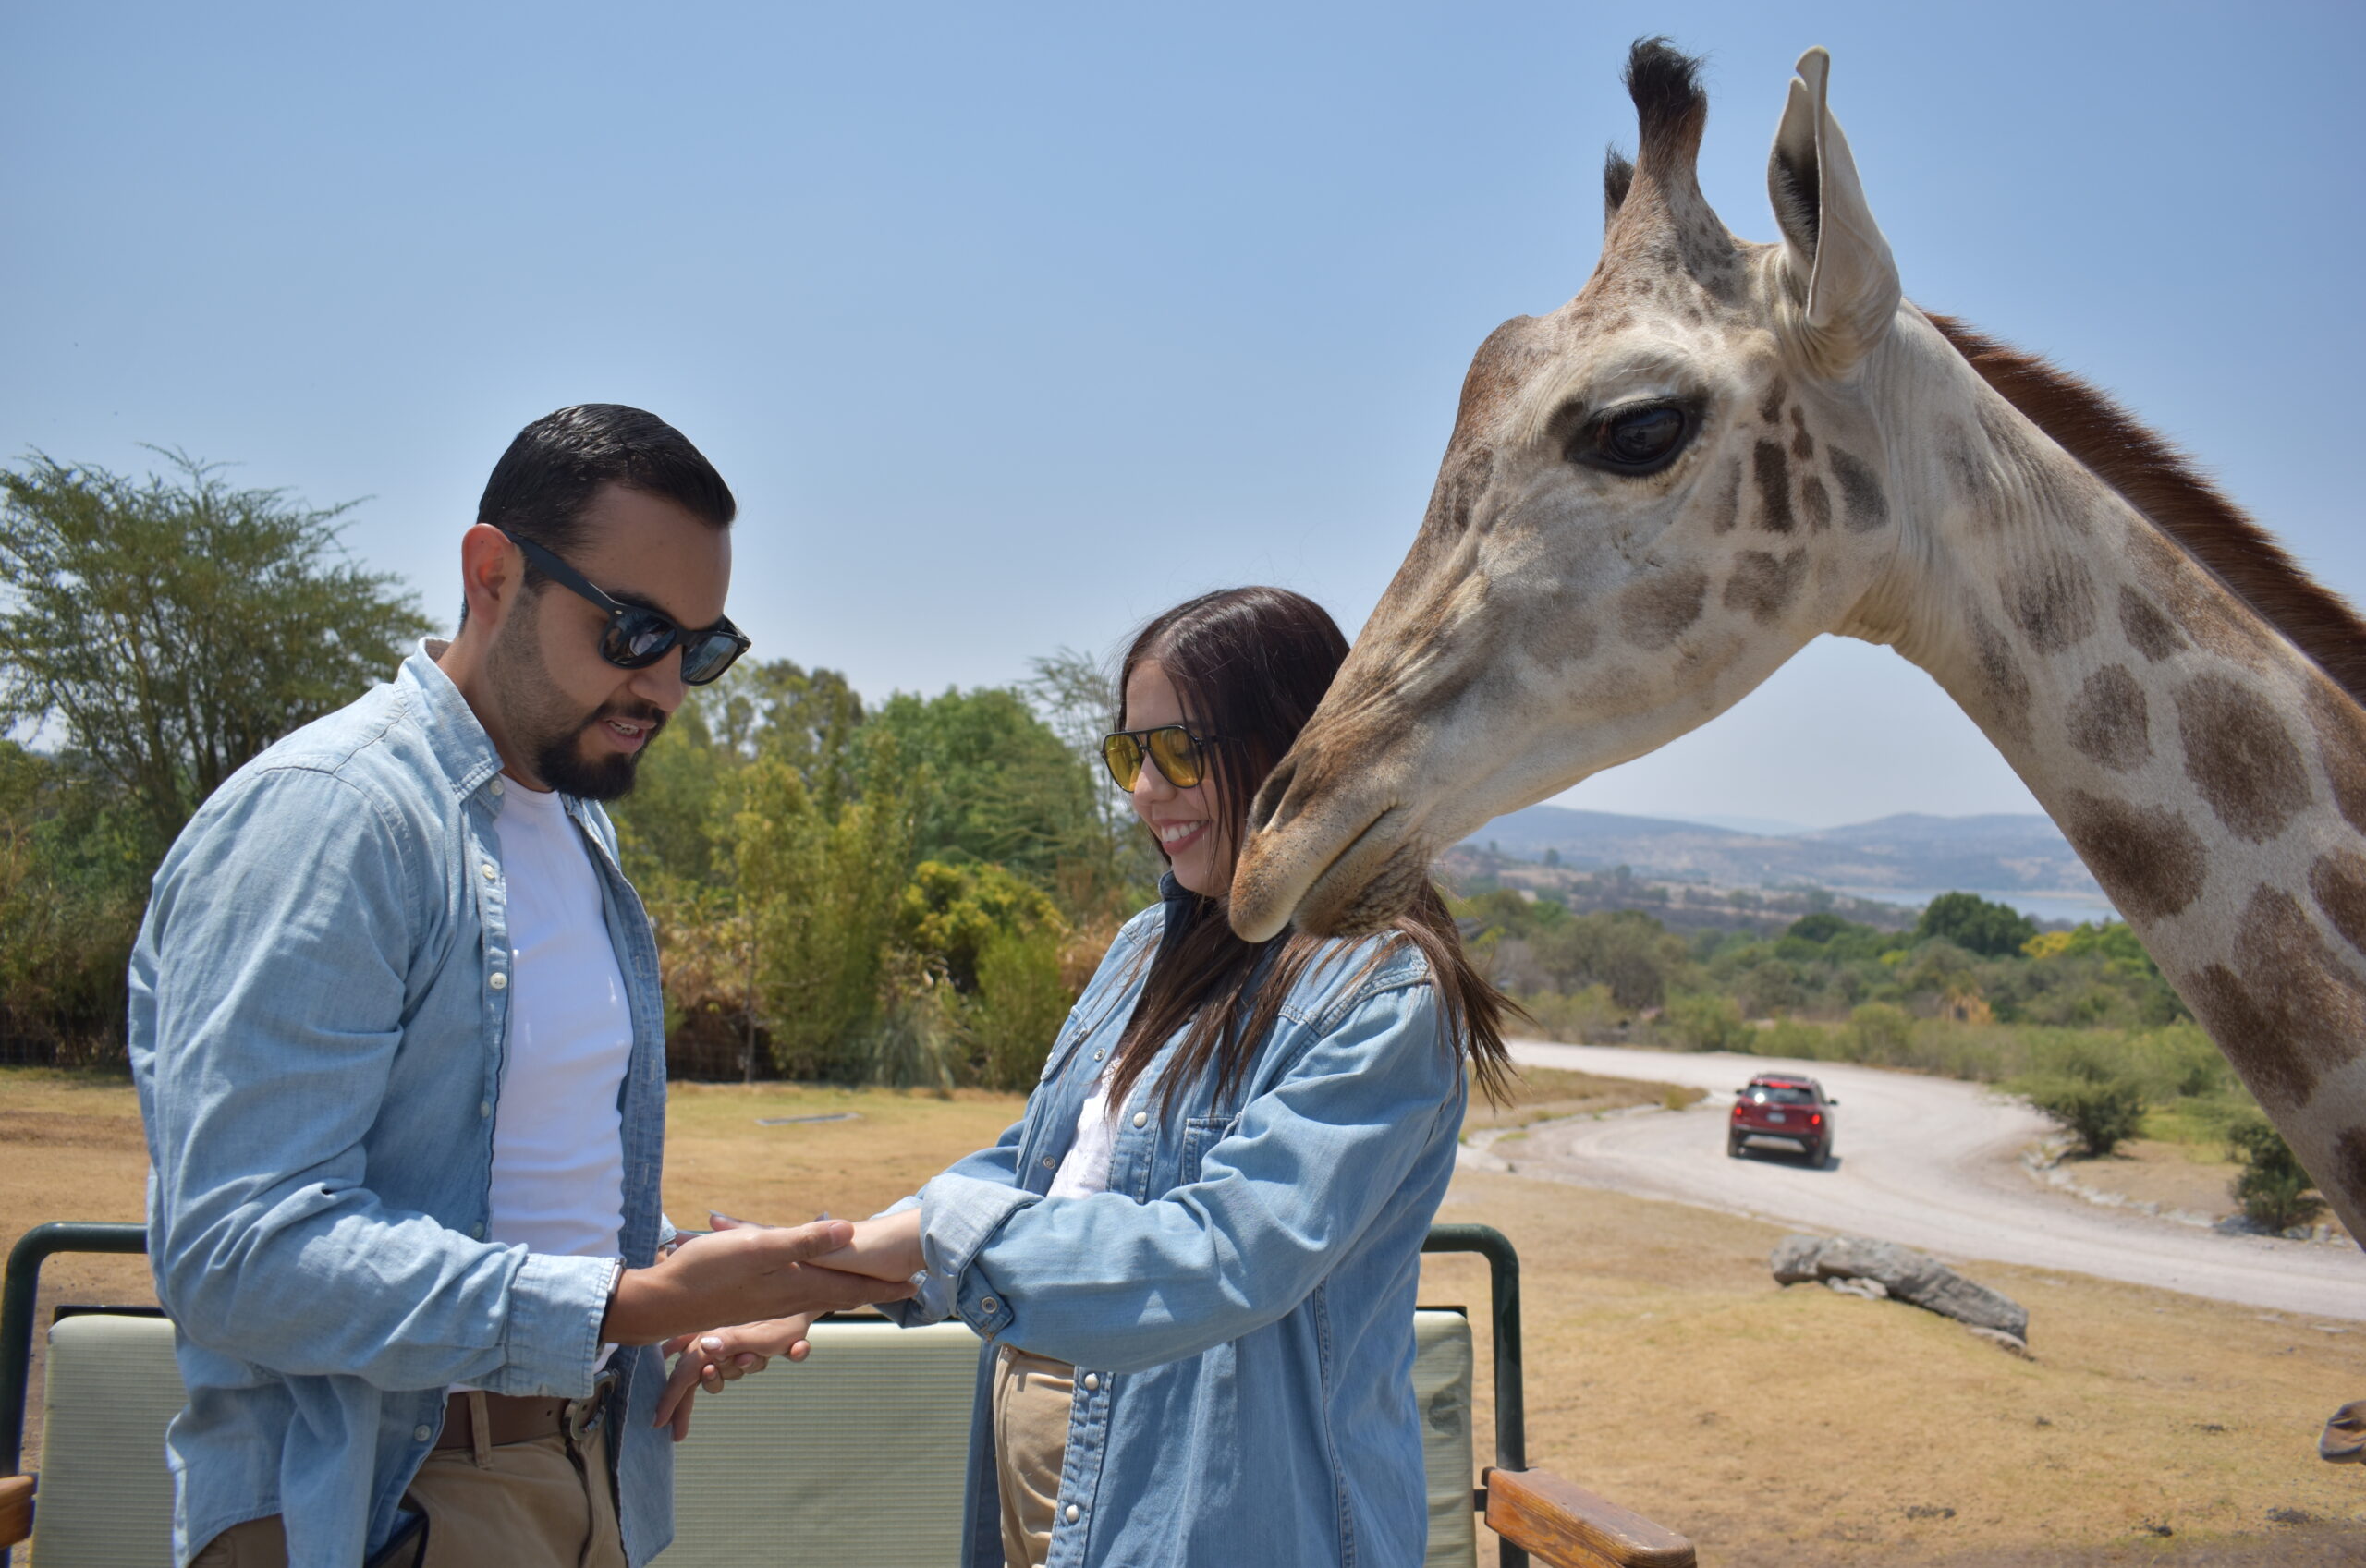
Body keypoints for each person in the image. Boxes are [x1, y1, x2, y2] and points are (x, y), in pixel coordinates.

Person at [128, 405, 910, 1568]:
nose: (665, 688)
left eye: (699, 649)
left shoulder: (570, 831)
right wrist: (625, 1307)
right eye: (634, 630)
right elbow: (239, 1254)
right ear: (492, 572)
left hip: (584, 1465)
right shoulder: (336, 817)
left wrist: (679, 1294)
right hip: (382, 1492)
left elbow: (512, 1193)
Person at [665, 586, 1516, 1568]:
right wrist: (822, 1275)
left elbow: (1223, 1256)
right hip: (1057, 1490)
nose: (1144, 790)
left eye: (1180, 752)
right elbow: (1038, 1173)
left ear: (1293, 746)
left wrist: (918, 1242)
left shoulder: (1379, 987)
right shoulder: (1144, 948)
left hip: (1225, 1519)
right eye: (1127, 754)